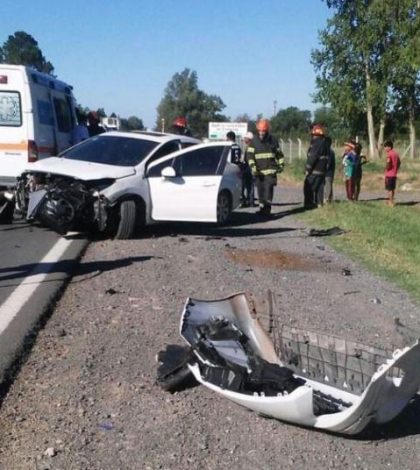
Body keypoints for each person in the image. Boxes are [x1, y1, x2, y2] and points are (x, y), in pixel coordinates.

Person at [246, 119, 284, 216]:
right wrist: (253, 166)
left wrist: (281, 165)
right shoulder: (254, 141)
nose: (262, 133)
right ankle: (262, 208)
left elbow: (279, 154)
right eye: (260, 131)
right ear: (257, 130)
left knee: (268, 190)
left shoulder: (273, 140)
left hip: (270, 171)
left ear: (267, 131)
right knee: (260, 191)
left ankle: (267, 209)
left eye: (263, 131)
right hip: (258, 172)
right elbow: (250, 155)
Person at [303, 124, 329, 209]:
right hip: (322, 171)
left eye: (313, 135)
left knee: (308, 187)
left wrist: (307, 168)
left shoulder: (316, 143)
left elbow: (313, 156)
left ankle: (309, 204)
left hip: (314, 170)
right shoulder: (325, 143)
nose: (312, 137)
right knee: (320, 188)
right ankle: (319, 204)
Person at [384, 140, 401, 207]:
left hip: (389, 174)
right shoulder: (396, 154)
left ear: (389, 147)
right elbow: (399, 162)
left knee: (389, 189)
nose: (385, 149)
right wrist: (396, 168)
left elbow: (388, 162)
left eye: (385, 147)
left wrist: (387, 168)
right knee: (392, 189)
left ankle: (391, 202)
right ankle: (390, 201)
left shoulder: (389, 154)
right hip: (394, 174)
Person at [240, 131, 255, 207]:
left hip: (249, 168)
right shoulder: (248, 146)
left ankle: (250, 201)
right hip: (247, 168)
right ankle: (249, 201)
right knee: (249, 186)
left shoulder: (251, 147)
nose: (244, 140)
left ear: (249, 139)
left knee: (250, 186)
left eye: (245, 138)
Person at [323, 136, 335, 204]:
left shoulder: (329, 152)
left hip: (328, 172)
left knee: (328, 185)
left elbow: (328, 163)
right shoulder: (329, 151)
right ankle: (330, 199)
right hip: (328, 172)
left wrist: (324, 169)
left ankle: (327, 199)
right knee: (328, 185)